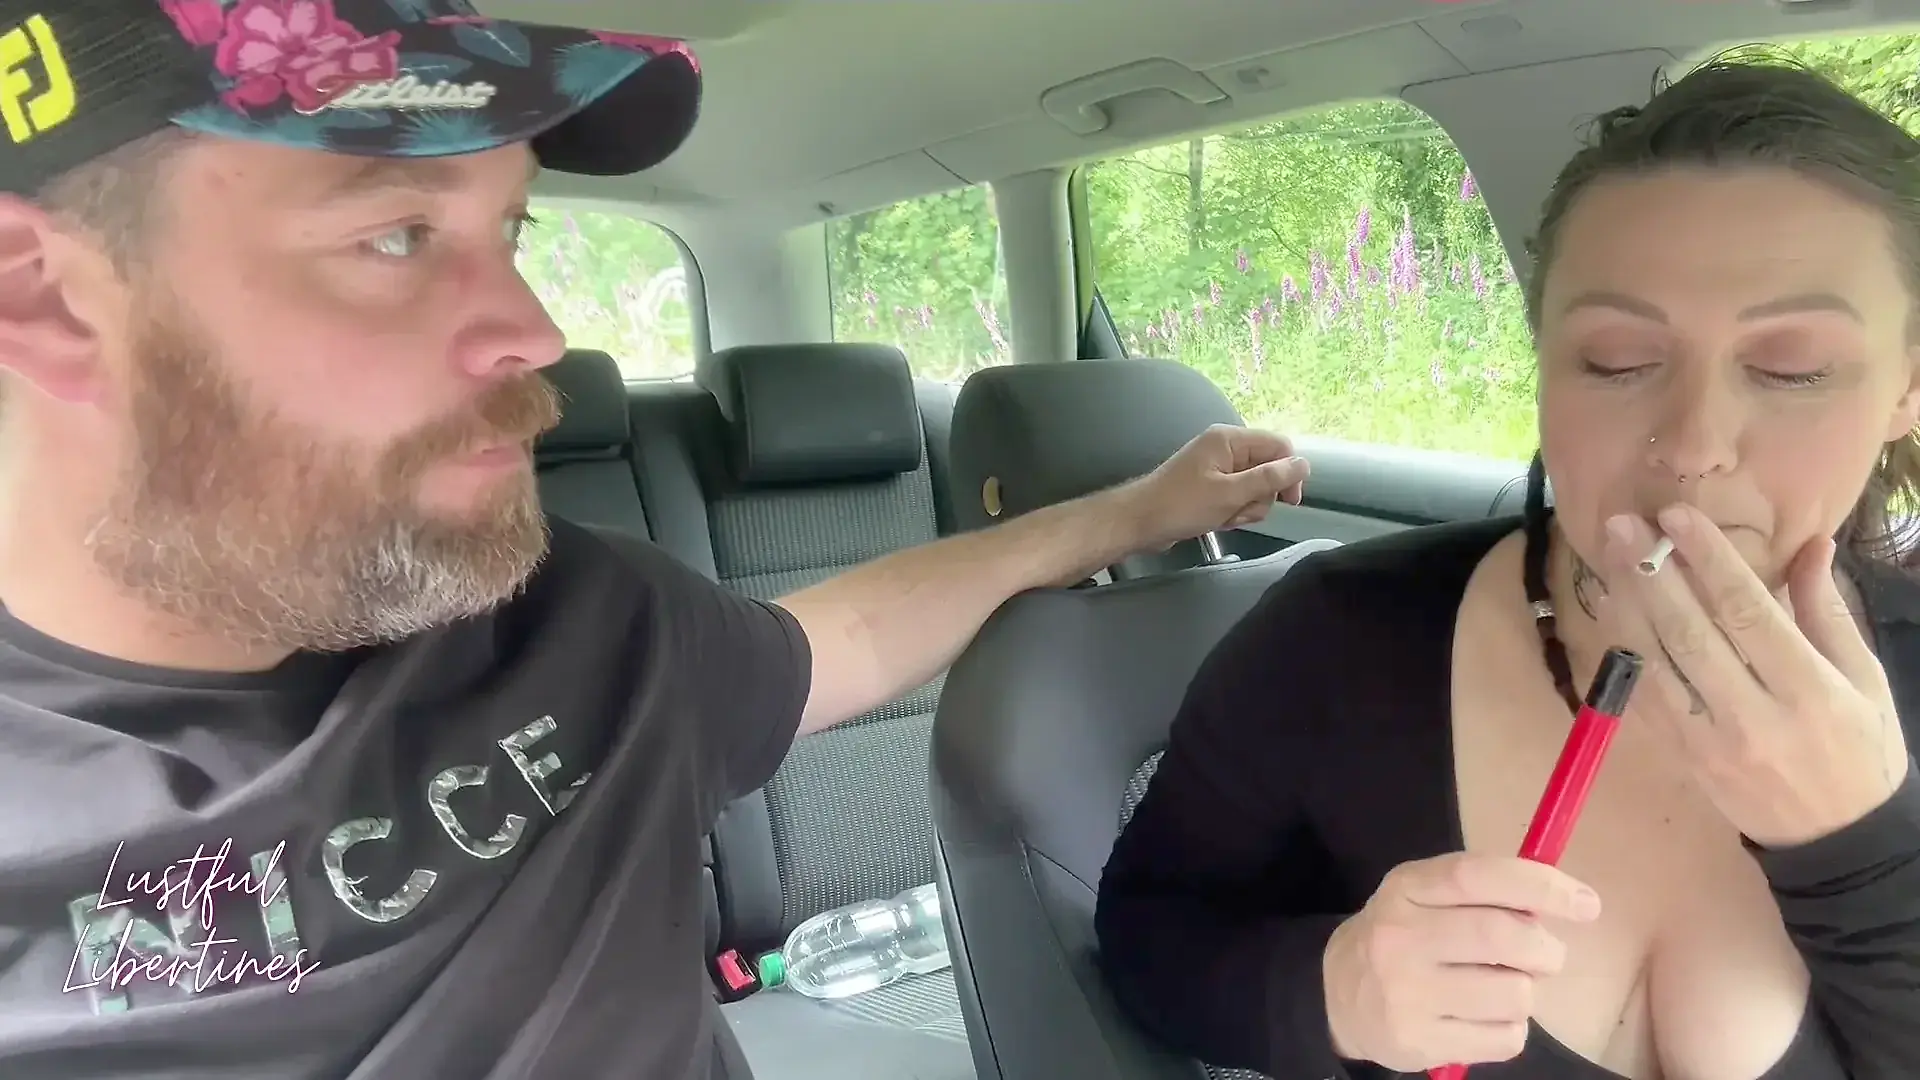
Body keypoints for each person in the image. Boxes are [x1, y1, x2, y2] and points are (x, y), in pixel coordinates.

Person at [0, 1, 1313, 1077]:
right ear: (48, 300)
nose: (535, 331)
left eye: (510, 229)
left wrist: (1131, 515)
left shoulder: (577, 616)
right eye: (396, 235)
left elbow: (845, 638)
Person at [1095, 49, 1920, 1080]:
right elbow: (1146, 932)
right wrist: (1329, 991)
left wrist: (1864, 856)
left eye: (1792, 368)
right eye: (1617, 361)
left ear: (1907, 387)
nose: (1694, 443)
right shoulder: (1338, 638)